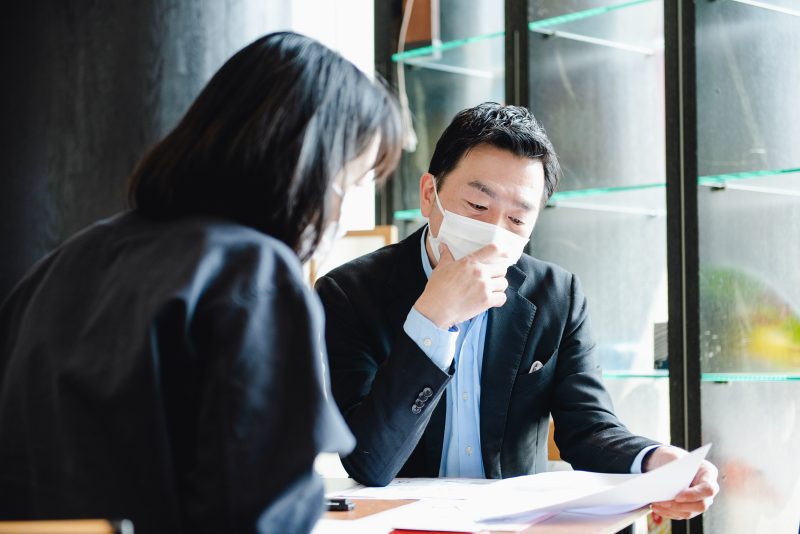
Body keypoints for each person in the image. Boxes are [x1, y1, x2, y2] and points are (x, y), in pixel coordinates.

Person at [0, 32, 401, 533]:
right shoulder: (253, 274)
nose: (342, 210)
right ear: (309, 166)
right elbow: (262, 514)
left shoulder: (64, 263)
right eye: (352, 181)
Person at [316, 102, 718, 521]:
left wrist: (657, 462)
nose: (494, 233)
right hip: (404, 525)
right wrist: (431, 321)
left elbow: (588, 429)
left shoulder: (557, 295)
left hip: (517, 525)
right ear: (429, 194)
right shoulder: (348, 293)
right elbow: (370, 462)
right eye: (477, 206)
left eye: (516, 219)